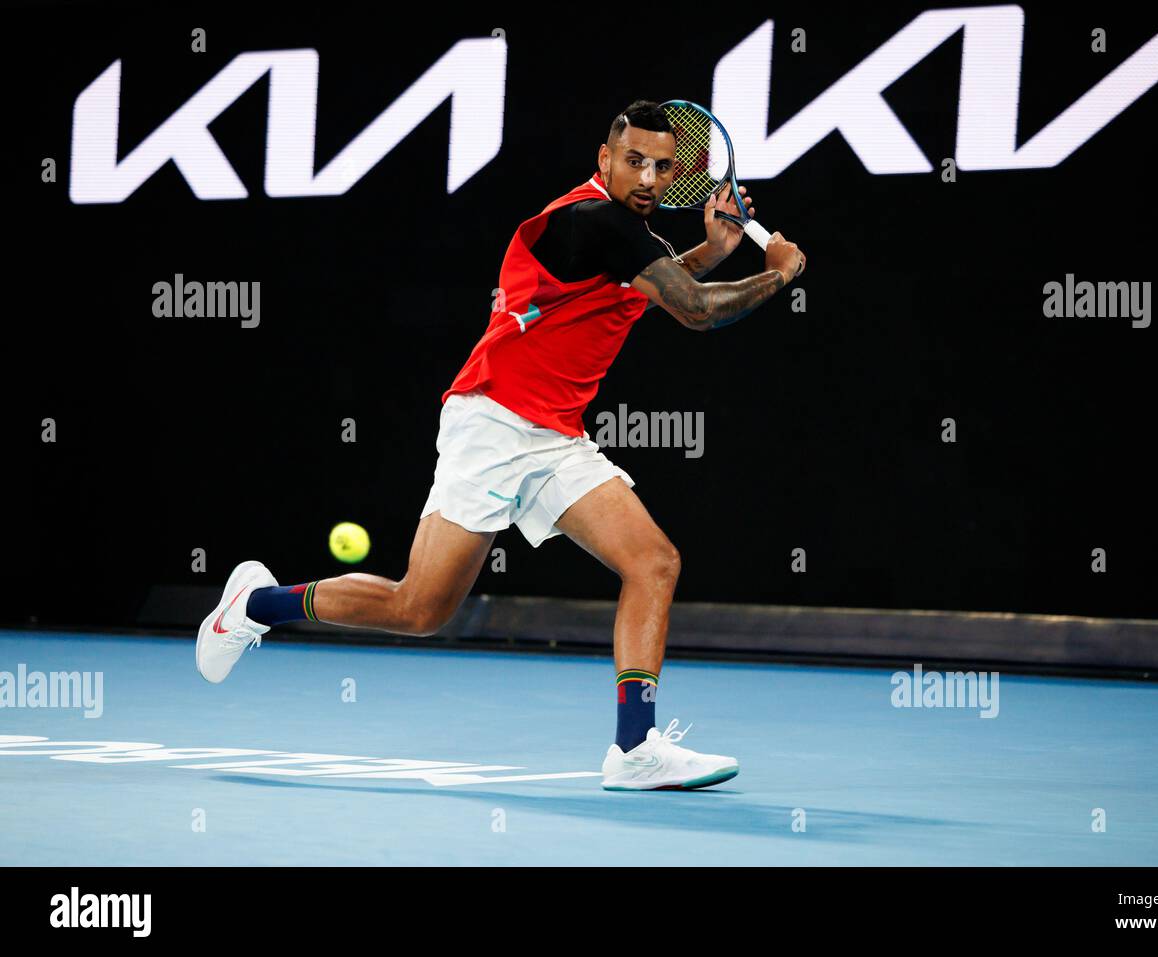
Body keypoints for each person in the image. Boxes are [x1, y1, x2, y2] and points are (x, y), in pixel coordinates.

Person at [196, 100, 805, 790]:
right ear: (604, 161)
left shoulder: (624, 238)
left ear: (675, 173)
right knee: (419, 609)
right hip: (490, 422)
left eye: (662, 165)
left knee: (653, 562)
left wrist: (714, 253)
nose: (646, 175)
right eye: (632, 159)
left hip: (553, 434)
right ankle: (254, 606)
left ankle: (634, 748)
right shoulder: (596, 222)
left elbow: (639, 290)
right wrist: (777, 270)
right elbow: (693, 310)